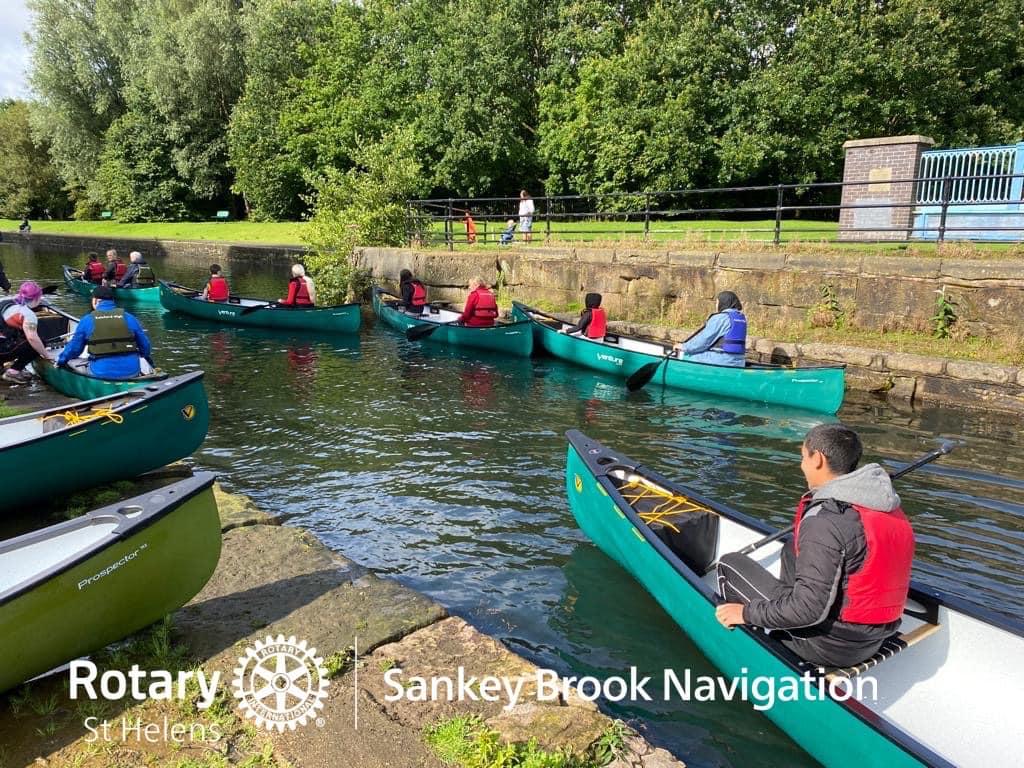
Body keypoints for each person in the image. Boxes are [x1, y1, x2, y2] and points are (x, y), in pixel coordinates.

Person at [715, 424, 915, 668]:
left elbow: (808, 610)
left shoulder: (825, 521)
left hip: (827, 645)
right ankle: (779, 613)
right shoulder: (886, 507)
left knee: (729, 563)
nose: (801, 465)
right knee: (791, 547)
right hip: (873, 637)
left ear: (818, 459)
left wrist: (744, 613)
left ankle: (754, 654)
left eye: (803, 456)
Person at [57, 285, 153, 379]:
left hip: (100, 373)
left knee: (73, 362)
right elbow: (145, 347)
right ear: (113, 301)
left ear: (95, 300)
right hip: (132, 372)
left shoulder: (87, 320)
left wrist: (61, 360)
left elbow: (75, 349)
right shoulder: (129, 317)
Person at [675, 291, 747, 367]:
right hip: (739, 362)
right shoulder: (741, 318)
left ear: (723, 303)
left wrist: (684, 347)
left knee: (685, 355)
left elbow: (704, 341)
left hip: (722, 360)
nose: (716, 306)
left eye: (717, 303)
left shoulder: (720, 318)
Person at [0, 281, 53, 383]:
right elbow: (32, 338)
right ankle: (13, 372)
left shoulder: (4, 301)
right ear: (37, 298)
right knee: (38, 343)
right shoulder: (27, 314)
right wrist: (46, 355)